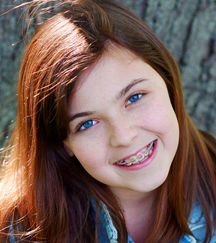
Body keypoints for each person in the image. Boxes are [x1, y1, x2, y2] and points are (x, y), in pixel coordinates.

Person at [0, 0, 216, 242]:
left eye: (134, 97)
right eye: (87, 124)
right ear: (62, 143)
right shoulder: (21, 232)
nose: (123, 137)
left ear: (168, 84)